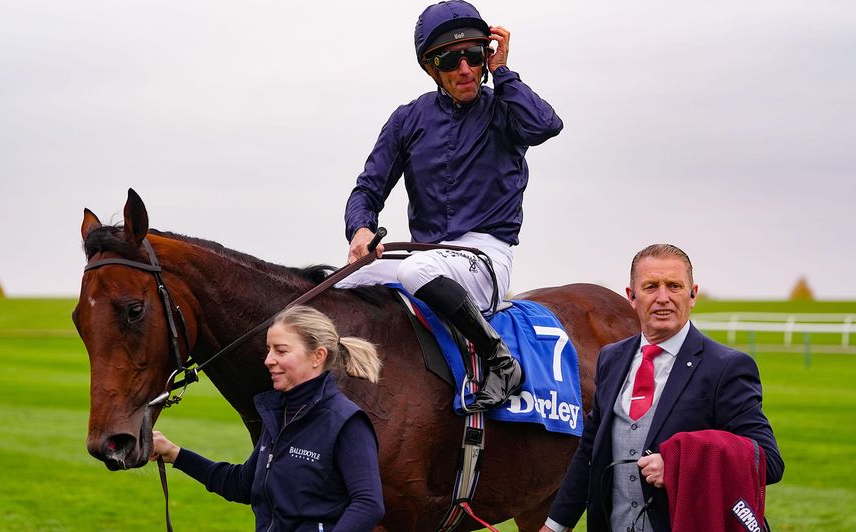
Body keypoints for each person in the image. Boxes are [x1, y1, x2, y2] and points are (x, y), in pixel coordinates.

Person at [337, 0, 563, 412]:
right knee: (339, 284)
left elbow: (546, 125)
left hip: (485, 255)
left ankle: (500, 360)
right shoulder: (407, 119)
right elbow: (367, 191)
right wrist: (361, 230)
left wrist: (503, 72)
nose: (465, 69)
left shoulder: (505, 109)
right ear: (431, 68)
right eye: (451, 59)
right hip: (428, 254)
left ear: (486, 57)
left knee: (415, 269)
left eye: (474, 56)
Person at [541, 244, 784, 532]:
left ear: (692, 294)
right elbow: (591, 451)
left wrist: (680, 465)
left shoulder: (727, 367)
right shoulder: (611, 358)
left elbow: (767, 461)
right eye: (650, 287)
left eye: (674, 286)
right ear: (632, 297)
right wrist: (555, 526)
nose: (663, 298)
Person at [151, 305, 384, 532]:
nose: (268, 360)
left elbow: (368, 504)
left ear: (317, 356)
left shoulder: (346, 421)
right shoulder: (280, 414)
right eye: (269, 349)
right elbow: (240, 484)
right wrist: (174, 454)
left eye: (281, 351)